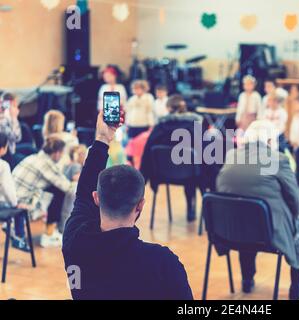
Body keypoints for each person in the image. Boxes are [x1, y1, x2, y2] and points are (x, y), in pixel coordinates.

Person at [62, 110, 193, 300]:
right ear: (140, 206)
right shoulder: (162, 263)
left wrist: (102, 138)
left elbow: (82, 195)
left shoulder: (75, 239)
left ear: (97, 198)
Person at [216, 120, 299, 300]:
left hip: (229, 231)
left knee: (245, 215)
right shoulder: (278, 159)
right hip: (267, 233)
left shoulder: (231, 157)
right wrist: (293, 215)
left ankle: (247, 278)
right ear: (270, 141)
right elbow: (297, 200)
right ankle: (297, 285)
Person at [140, 95, 203, 222]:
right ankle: (195, 209)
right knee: (194, 166)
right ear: (185, 109)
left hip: (163, 175)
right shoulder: (194, 126)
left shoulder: (159, 128)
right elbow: (205, 152)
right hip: (191, 175)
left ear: (168, 108)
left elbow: (147, 153)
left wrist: (143, 179)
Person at [13, 136, 75, 248]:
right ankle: (49, 234)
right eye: (62, 153)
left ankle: (18, 229)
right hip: (21, 203)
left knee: (52, 190)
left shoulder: (34, 157)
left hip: (11, 197)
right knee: (60, 192)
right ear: (57, 153)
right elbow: (67, 187)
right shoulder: (46, 164)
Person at [0, 92, 22, 167]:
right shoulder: (2, 120)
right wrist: (14, 118)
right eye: (14, 106)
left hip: (12, 149)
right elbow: (16, 137)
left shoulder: (6, 118)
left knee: (30, 149)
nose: (17, 109)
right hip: (6, 154)